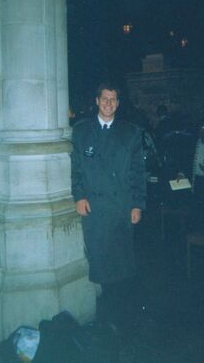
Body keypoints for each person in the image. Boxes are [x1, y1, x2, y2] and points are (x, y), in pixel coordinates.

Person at [70, 82, 147, 333]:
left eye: (113, 100)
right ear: (96, 101)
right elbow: (76, 170)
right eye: (104, 99)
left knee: (123, 263)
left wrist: (137, 204)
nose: (108, 104)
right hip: (94, 208)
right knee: (100, 262)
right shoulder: (81, 132)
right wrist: (79, 196)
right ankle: (105, 321)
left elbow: (138, 173)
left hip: (121, 207)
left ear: (118, 103)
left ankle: (122, 319)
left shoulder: (131, 133)